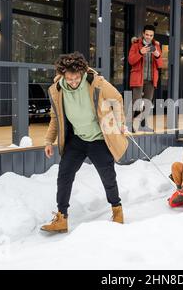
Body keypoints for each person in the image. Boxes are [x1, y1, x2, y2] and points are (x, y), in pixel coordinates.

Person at [41, 52, 129, 233]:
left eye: (76, 78)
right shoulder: (57, 90)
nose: (73, 82)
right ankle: (61, 218)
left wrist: (120, 124)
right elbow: (55, 117)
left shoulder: (96, 83)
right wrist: (49, 140)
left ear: (81, 73)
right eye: (70, 78)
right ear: (63, 75)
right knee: (64, 175)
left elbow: (117, 100)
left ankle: (117, 210)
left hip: (98, 139)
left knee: (108, 177)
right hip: (76, 140)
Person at [128, 24, 163, 132]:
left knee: (147, 103)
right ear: (143, 34)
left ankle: (143, 125)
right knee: (135, 102)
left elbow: (160, 64)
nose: (148, 37)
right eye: (147, 34)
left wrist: (157, 55)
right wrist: (140, 52)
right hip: (138, 78)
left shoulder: (156, 46)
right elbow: (131, 60)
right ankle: (128, 125)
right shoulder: (135, 45)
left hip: (151, 79)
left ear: (153, 36)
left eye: (151, 35)